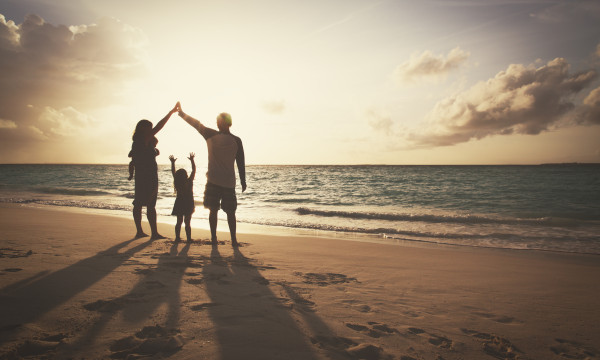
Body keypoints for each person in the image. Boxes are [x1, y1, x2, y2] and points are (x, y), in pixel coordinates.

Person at [177, 104, 246, 246]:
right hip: (219, 181)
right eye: (217, 121)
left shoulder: (230, 139)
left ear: (227, 123)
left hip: (222, 182)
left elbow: (240, 161)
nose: (217, 123)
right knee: (218, 211)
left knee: (226, 212)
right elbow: (196, 124)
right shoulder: (216, 135)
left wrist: (243, 180)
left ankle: (231, 239)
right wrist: (182, 114)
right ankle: (217, 238)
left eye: (219, 121)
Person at [129, 103, 179, 239]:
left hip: (146, 175)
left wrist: (154, 151)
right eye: (149, 128)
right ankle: (150, 233)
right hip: (147, 176)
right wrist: (171, 112)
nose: (151, 131)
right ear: (143, 129)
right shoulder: (142, 139)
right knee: (145, 204)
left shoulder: (141, 142)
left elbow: (135, 158)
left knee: (142, 203)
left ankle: (143, 232)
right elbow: (160, 126)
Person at [169, 153, 196, 242]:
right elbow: (194, 170)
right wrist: (192, 160)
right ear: (186, 175)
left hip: (179, 202)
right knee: (187, 222)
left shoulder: (177, 182)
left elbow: (173, 172)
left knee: (179, 222)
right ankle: (188, 238)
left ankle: (177, 238)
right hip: (188, 203)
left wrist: (172, 163)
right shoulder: (189, 181)